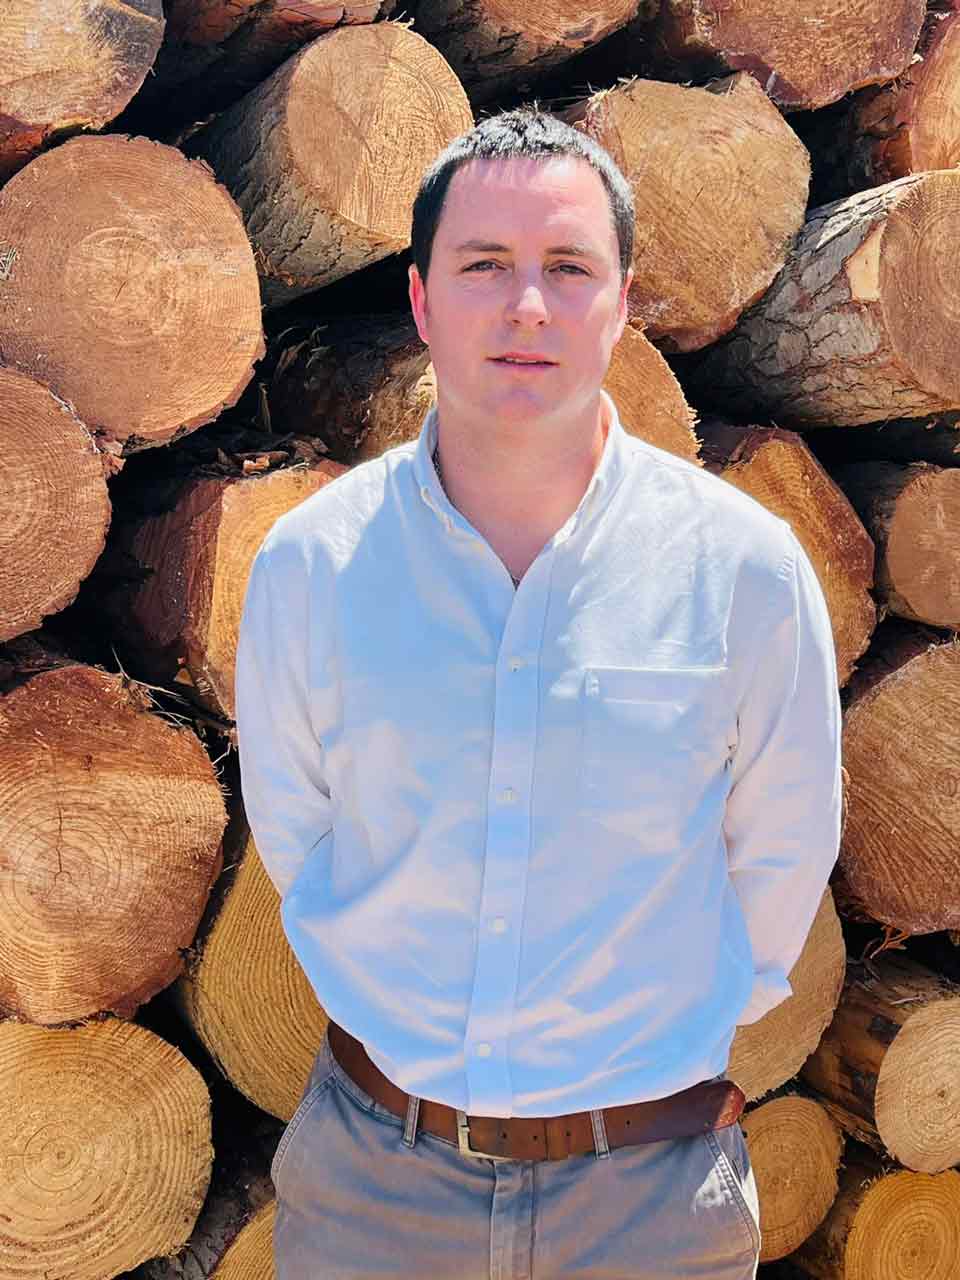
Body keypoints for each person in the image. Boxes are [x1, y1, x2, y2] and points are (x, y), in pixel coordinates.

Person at [235, 108, 842, 1279]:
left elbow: (782, 853)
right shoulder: (314, 566)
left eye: (569, 267)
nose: (527, 305)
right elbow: (300, 837)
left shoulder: (744, 571)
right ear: (421, 302)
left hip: (648, 1203)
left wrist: (649, 1042)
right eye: (485, 265)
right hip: (376, 1191)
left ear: (621, 303)